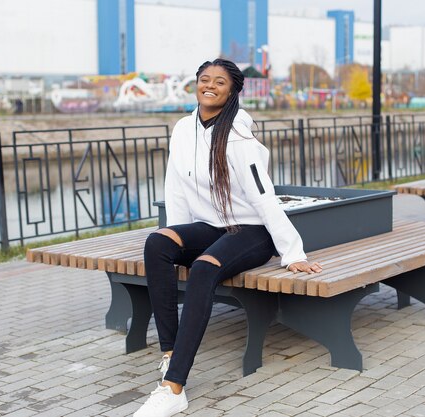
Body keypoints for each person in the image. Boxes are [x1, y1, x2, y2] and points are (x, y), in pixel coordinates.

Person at [134, 58, 322, 417]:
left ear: (234, 90)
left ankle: (174, 388)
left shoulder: (239, 136)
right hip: (210, 225)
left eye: (220, 82)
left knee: (205, 269)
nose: (210, 86)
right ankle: (170, 353)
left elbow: (263, 197)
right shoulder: (182, 128)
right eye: (205, 79)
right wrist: (177, 238)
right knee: (158, 243)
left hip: (251, 231)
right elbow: (174, 188)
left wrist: (293, 252)